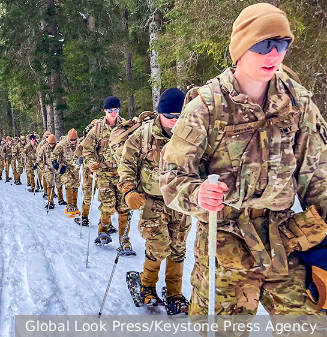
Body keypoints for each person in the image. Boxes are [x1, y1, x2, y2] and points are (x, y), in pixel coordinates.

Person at [160, 3, 327, 315]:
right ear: (240, 47)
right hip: (225, 240)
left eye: (282, 44)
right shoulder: (207, 107)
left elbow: (317, 173)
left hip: (285, 236)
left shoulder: (296, 101)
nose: (274, 55)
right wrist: (198, 194)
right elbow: (172, 178)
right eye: (264, 45)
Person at [118, 88, 191, 313]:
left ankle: (174, 293)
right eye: (170, 116)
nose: (174, 121)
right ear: (160, 114)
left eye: (179, 116)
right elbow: (126, 165)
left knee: (178, 247)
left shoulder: (191, 133)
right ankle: (147, 285)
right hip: (152, 200)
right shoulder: (143, 135)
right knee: (159, 246)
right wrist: (129, 191)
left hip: (180, 200)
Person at [82, 96, 131, 246]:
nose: (113, 113)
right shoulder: (96, 129)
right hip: (103, 174)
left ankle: (125, 240)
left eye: (116, 110)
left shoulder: (127, 126)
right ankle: (102, 231)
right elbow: (87, 150)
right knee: (108, 205)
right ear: (105, 111)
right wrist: (91, 163)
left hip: (122, 173)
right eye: (110, 110)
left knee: (124, 207)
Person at [52, 129, 80, 216]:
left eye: (74, 140)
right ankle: (69, 205)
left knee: (75, 185)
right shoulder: (62, 144)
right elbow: (54, 154)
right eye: (71, 140)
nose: (73, 142)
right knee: (68, 184)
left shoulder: (80, 143)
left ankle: (75, 205)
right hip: (65, 166)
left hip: (75, 167)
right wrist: (54, 162)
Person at [74, 121, 97, 226]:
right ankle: (85, 217)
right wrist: (79, 160)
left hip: (101, 171)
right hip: (90, 171)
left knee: (105, 197)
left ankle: (106, 222)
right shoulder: (86, 140)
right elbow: (77, 155)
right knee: (90, 195)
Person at [36, 134, 58, 209]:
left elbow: (62, 157)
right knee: (50, 184)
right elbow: (39, 159)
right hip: (47, 168)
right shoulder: (43, 148)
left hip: (55, 168)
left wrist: (59, 164)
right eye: (50, 144)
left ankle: (57, 197)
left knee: (55, 184)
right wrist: (43, 167)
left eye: (53, 144)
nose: (52, 145)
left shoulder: (58, 148)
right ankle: (50, 201)